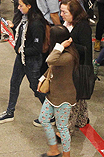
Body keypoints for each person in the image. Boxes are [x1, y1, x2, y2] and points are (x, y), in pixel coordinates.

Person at [0, 0, 46, 124]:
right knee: (14, 83)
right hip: (21, 58)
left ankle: (50, 113)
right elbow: (23, 38)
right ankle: (10, 112)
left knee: (36, 87)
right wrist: (13, 29)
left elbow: (36, 48)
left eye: (21, 5)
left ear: (29, 6)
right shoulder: (25, 19)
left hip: (31, 61)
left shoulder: (36, 24)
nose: (18, 8)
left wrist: (22, 50)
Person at [38, 25, 79, 157]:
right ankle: (54, 150)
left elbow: (50, 60)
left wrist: (60, 46)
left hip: (63, 98)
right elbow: (52, 67)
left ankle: (66, 155)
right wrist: (43, 77)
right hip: (53, 95)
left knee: (62, 128)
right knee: (43, 119)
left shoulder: (68, 57)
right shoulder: (60, 53)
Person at [60, 0, 92, 128]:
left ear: (74, 13)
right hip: (70, 66)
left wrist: (67, 45)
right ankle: (82, 119)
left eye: (64, 12)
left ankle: (67, 128)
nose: (61, 15)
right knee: (80, 98)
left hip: (80, 67)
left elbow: (85, 49)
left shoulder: (83, 27)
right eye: (61, 11)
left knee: (73, 99)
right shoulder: (68, 24)